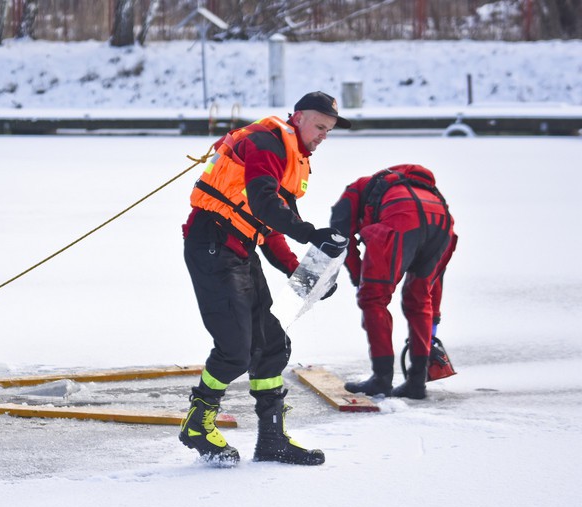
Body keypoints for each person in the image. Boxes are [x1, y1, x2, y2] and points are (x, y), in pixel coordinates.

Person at [180, 91, 351, 466]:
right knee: (235, 350)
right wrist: (309, 233)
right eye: (320, 126)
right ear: (300, 117)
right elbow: (263, 204)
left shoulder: (289, 155)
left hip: (239, 248)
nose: (323, 136)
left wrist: (301, 272)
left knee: (271, 345)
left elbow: (270, 226)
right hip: (212, 242)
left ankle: (272, 439)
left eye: (330, 130)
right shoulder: (266, 144)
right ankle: (197, 422)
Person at [329, 164, 458, 399]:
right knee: (420, 301)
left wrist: (360, 280)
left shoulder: (352, 193)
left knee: (374, 300)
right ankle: (417, 383)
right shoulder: (418, 189)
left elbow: (341, 241)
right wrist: (434, 318)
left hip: (401, 218)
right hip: (442, 224)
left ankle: (381, 379)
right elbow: (436, 278)